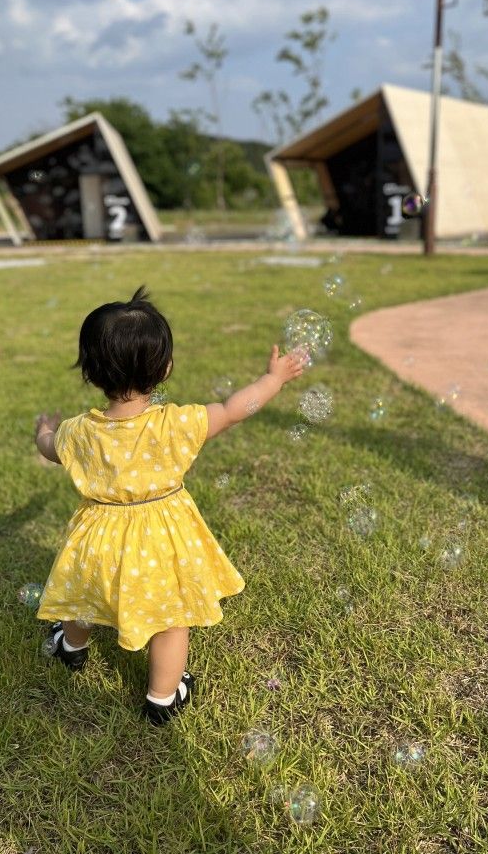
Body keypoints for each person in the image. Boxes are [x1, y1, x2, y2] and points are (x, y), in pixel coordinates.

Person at [34, 286, 306, 725]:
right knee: (170, 618)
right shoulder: (176, 423)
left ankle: (72, 648)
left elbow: (48, 447)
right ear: (165, 368)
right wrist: (273, 378)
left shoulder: (77, 431)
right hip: (158, 541)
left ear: (90, 371)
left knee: (81, 597)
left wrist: (42, 430)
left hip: (97, 537)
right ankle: (163, 697)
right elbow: (236, 409)